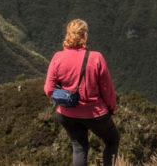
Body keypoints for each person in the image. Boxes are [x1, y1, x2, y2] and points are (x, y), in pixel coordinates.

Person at [44, 19, 120, 166]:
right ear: (85, 36)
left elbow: (48, 89)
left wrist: (63, 99)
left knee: (79, 148)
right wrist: (111, 108)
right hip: (95, 113)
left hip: (67, 114)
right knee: (112, 140)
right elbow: (107, 89)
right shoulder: (96, 58)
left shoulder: (57, 57)